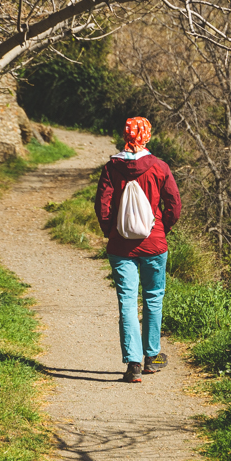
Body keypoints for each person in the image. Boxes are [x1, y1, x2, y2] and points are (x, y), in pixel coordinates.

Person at [95, 117, 182, 383]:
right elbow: (174, 206)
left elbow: (102, 206)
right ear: (147, 136)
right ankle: (152, 358)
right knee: (153, 298)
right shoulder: (159, 167)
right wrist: (160, 230)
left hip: (121, 247)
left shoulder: (112, 167)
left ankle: (133, 363)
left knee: (127, 302)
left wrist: (112, 232)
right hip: (154, 245)